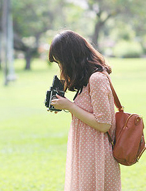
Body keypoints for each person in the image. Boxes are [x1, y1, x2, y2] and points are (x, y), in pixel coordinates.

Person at [49, 30, 121, 191]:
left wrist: (70, 106)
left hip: (97, 152)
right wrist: (62, 98)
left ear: (70, 58)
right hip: (85, 148)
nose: (60, 65)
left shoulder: (97, 79)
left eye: (60, 61)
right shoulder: (86, 80)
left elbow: (104, 124)